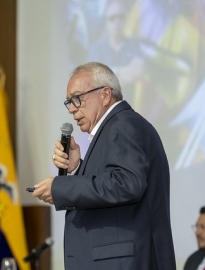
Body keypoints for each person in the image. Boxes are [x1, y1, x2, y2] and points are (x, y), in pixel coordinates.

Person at [32, 62, 176, 269]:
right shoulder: (120, 125)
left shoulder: (122, 125)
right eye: (68, 102)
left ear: (105, 95)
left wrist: (60, 187)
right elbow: (115, 181)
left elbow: (127, 183)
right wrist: (77, 168)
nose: (71, 109)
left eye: (77, 98)